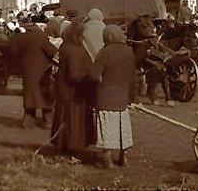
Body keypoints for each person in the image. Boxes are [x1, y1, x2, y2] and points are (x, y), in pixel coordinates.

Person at [91, 24, 138, 169]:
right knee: (122, 128)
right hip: (122, 97)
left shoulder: (104, 53)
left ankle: (108, 159)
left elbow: (94, 75)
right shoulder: (128, 52)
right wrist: (132, 97)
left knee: (106, 129)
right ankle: (123, 157)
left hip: (106, 97)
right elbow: (132, 78)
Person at [51, 22, 96, 155]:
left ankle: (62, 143)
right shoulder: (75, 50)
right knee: (74, 120)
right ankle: (73, 145)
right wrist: (90, 76)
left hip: (64, 90)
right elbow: (74, 74)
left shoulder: (66, 46)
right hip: (75, 92)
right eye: (82, 34)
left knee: (64, 117)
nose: (83, 37)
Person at [9, 17, 58, 128]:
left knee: (30, 96)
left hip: (27, 71)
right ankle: (48, 121)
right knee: (45, 97)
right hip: (42, 71)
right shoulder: (41, 37)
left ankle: (28, 121)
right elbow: (52, 51)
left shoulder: (23, 38)